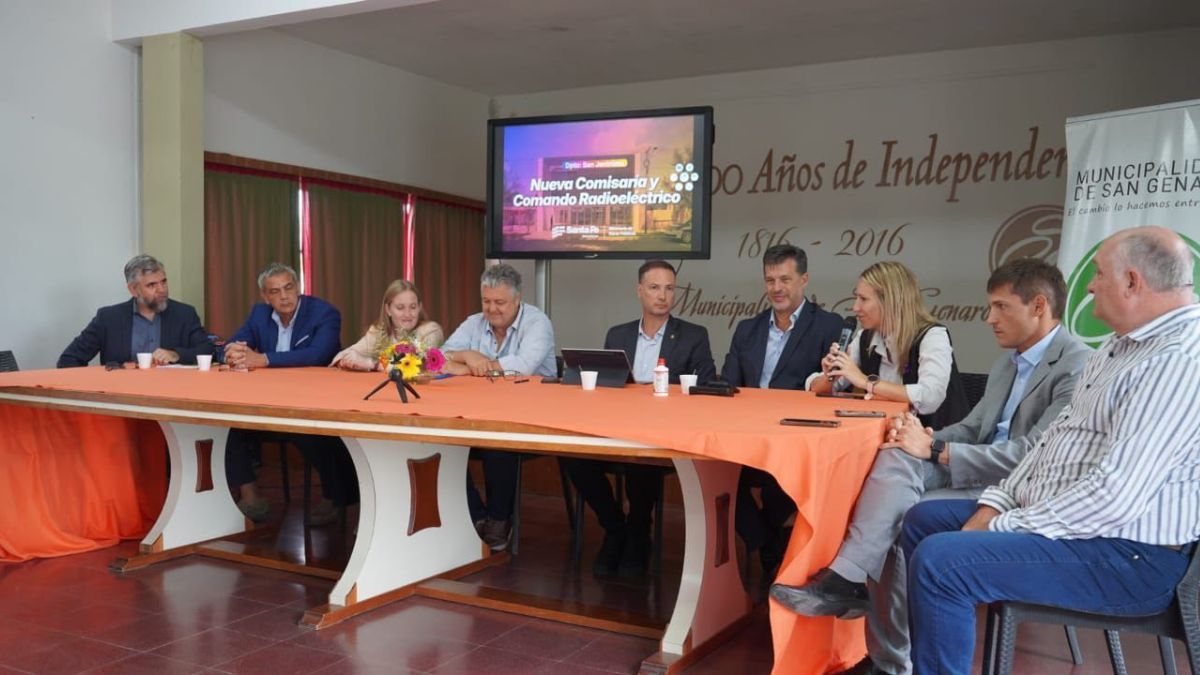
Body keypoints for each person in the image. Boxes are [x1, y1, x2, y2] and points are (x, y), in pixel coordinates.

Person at [901, 226, 1200, 675]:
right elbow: (1049, 445)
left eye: (1099, 274)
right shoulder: (1119, 348)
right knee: (922, 520)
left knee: (942, 563)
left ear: (1133, 282)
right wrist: (994, 504)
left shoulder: (1176, 359)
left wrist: (1004, 526)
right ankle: (921, 658)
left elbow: (1115, 496)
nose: (1092, 284)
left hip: (1129, 555)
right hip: (1077, 525)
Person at [770, 258, 1090, 675]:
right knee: (895, 454)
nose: (989, 318)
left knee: (899, 514)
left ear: (1038, 306)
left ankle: (885, 654)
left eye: (1000, 307)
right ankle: (852, 589)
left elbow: (1034, 455)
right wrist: (915, 439)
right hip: (975, 468)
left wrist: (936, 448)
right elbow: (975, 427)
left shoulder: (1077, 364)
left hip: (1017, 488)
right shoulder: (1007, 362)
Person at [562, 260, 716, 577]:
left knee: (642, 458)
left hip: (664, 432)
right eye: (654, 287)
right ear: (639, 291)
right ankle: (616, 527)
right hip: (616, 427)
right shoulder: (617, 334)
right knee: (572, 457)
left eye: (670, 288)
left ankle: (638, 533)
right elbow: (607, 387)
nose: (663, 295)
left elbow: (705, 386)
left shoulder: (693, 335)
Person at [723, 244, 843, 578]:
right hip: (745, 436)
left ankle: (770, 544)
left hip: (795, 439)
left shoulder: (829, 326)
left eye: (785, 280)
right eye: (770, 280)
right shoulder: (747, 329)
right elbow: (728, 385)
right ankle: (767, 541)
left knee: (783, 479)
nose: (777, 288)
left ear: (804, 280)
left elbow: (833, 387)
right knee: (714, 476)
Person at [440, 263, 556, 550]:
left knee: (497, 441)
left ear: (518, 300)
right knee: (440, 441)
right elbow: (438, 358)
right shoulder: (474, 322)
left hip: (531, 416)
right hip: (477, 412)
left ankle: (499, 519)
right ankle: (476, 516)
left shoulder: (537, 323)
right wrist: (467, 354)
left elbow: (524, 366)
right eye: (486, 301)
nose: (491, 309)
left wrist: (470, 368)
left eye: (500, 302)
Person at [223, 262, 347, 522]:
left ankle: (335, 498)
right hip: (266, 401)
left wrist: (264, 359)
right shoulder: (259, 315)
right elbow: (235, 342)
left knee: (312, 435)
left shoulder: (324, 313)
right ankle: (250, 496)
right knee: (227, 426)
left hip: (312, 402)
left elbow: (318, 354)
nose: (284, 296)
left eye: (289, 288)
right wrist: (233, 351)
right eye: (275, 291)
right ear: (265, 297)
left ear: (298, 287)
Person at [58, 254, 212, 367]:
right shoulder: (108, 318)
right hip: (121, 398)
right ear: (133, 290)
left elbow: (207, 350)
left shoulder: (184, 314)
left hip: (170, 395)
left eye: (163, 282)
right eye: (152, 285)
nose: (162, 290)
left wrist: (176, 354)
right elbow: (68, 360)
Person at [330, 279, 444, 371]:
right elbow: (342, 356)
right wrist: (351, 360)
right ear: (388, 310)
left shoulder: (431, 331)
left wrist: (372, 364)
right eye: (400, 308)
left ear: (419, 307)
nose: (408, 314)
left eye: (413, 307)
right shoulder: (378, 332)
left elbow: (414, 366)